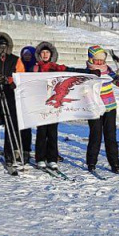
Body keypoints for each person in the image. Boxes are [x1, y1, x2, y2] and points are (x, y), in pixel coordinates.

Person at [31, 41, 84, 170]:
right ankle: (40, 158)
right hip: (41, 103)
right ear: (39, 54)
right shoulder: (35, 68)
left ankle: (52, 158)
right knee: (42, 132)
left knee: (52, 132)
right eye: (42, 52)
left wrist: (89, 72)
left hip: (55, 104)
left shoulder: (57, 67)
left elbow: (73, 72)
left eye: (47, 52)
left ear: (51, 54)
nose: (45, 55)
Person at [0, 32, 27, 171]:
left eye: (4, 46)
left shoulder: (16, 60)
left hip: (10, 95)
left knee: (11, 125)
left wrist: (9, 80)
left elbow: (20, 79)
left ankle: (10, 155)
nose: (2, 49)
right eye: (0, 46)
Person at [85, 46, 119, 173]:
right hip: (95, 108)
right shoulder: (87, 72)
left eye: (102, 59)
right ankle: (91, 162)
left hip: (110, 107)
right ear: (91, 59)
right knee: (95, 136)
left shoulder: (108, 70)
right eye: (96, 60)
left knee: (111, 136)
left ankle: (115, 163)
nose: (100, 62)